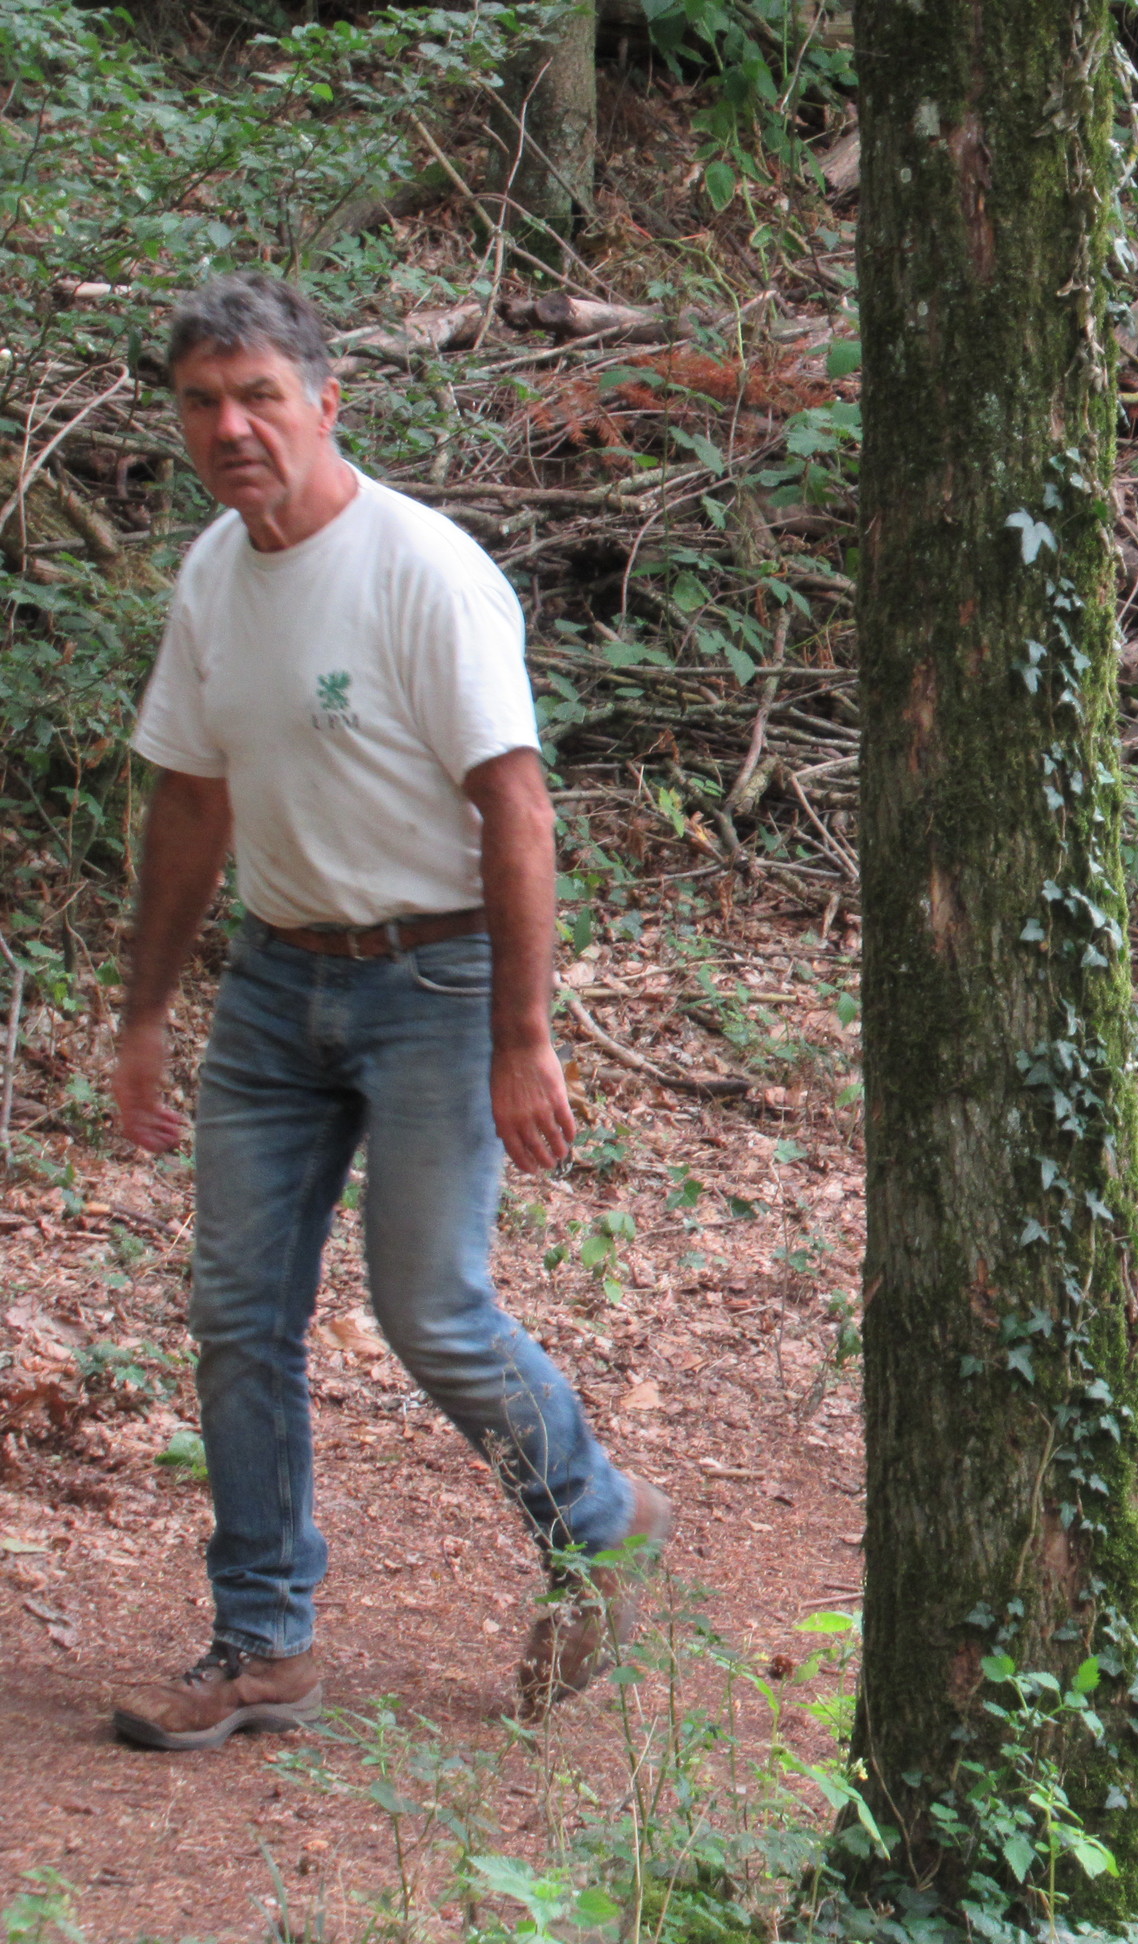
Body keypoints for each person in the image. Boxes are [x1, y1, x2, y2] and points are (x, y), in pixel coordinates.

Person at [107, 271, 671, 1749]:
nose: (232, 428)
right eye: (202, 404)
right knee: (237, 1316)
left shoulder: (423, 571)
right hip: (274, 983)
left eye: (259, 397)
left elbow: (518, 809)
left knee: (430, 1309)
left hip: (438, 978)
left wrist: (522, 1036)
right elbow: (190, 800)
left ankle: (599, 1525)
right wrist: (144, 1014)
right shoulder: (213, 575)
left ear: (324, 402)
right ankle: (262, 1641)